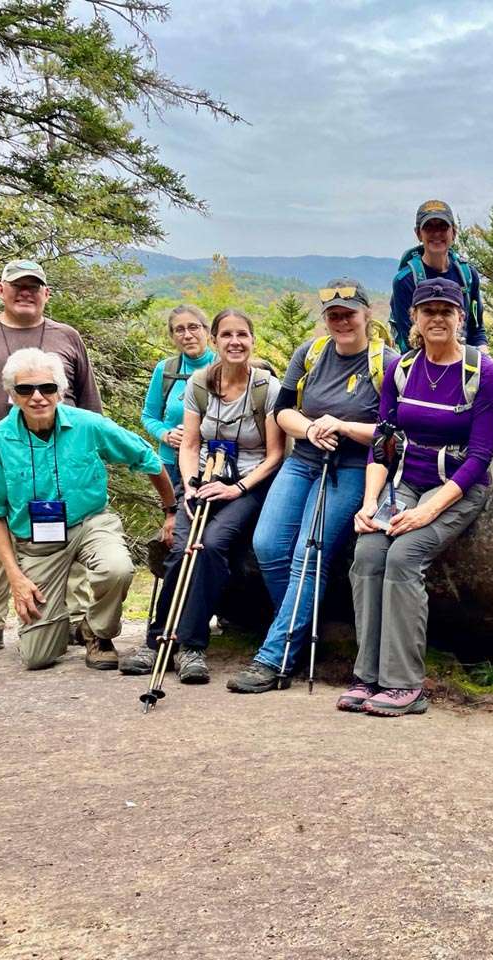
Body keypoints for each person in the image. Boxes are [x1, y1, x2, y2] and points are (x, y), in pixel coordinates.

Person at [227, 280, 398, 693]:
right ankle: (299, 629)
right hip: (303, 461)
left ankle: (276, 656)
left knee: (309, 553)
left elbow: (390, 432)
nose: (341, 321)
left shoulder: (386, 363)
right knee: (267, 544)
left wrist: (342, 426)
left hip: (354, 467)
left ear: (366, 315)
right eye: (334, 315)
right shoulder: (311, 353)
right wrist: (309, 429)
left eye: (349, 313)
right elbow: (283, 410)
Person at [345, 277, 493, 717]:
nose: (437, 318)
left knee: (404, 556)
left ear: (460, 318)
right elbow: (383, 439)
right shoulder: (402, 369)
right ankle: (368, 675)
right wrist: (370, 503)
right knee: (370, 553)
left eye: (446, 311)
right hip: (405, 483)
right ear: (414, 317)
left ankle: (403, 684)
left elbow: (481, 456)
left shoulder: (480, 373)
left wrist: (428, 510)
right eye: (428, 310)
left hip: (457, 488)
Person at [0, 348, 176, 670]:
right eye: (26, 389)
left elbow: (147, 458)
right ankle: (64, 625)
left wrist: (171, 510)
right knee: (39, 657)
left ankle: (97, 632)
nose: (38, 397)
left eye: (47, 388)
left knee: (117, 568)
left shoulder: (89, 425)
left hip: (91, 522)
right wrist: (15, 578)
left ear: (61, 391)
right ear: (12, 394)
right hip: (36, 541)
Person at [0, 259, 102, 656]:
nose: (26, 292)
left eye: (35, 286)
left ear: (46, 294)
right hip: (1, 456)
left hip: (61, 458)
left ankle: (76, 619)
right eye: (18, 286)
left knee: (69, 530)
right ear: (1, 290)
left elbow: (88, 399)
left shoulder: (67, 336)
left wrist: (93, 452)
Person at [119, 309, 283, 684]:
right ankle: (158, 641)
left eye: (242, 334)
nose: (235, 342)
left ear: (252, 339)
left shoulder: (266, 388)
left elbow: (275, 455)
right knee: (181, 549)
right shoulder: (199, 384)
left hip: (249, 485)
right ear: (215, 340)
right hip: (205, 478)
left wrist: (236, 488)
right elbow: (190, 443)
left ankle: (191, 645)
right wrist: (190, 484)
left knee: (208, 546)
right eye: (226, 335)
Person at [390, 200, 488, 353]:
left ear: (453, 232)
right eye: (429, 227)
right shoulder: (405, 281)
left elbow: (476, 329)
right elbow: (410, 341)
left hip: (466, 358)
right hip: (424, 360)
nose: (436, 233)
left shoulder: (468, 275)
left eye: (443, 227)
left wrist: (483, 357)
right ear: (418, 234)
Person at [141, 305, 216, 490]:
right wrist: (166, 434)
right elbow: (149, 416)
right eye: (179, 330)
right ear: (172, 337)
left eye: (193, 327)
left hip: (214, 462)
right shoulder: (166, 370)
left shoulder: (222, 367)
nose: (187, 335)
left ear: (207, 332)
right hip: (171, 462)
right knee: (174, 518)